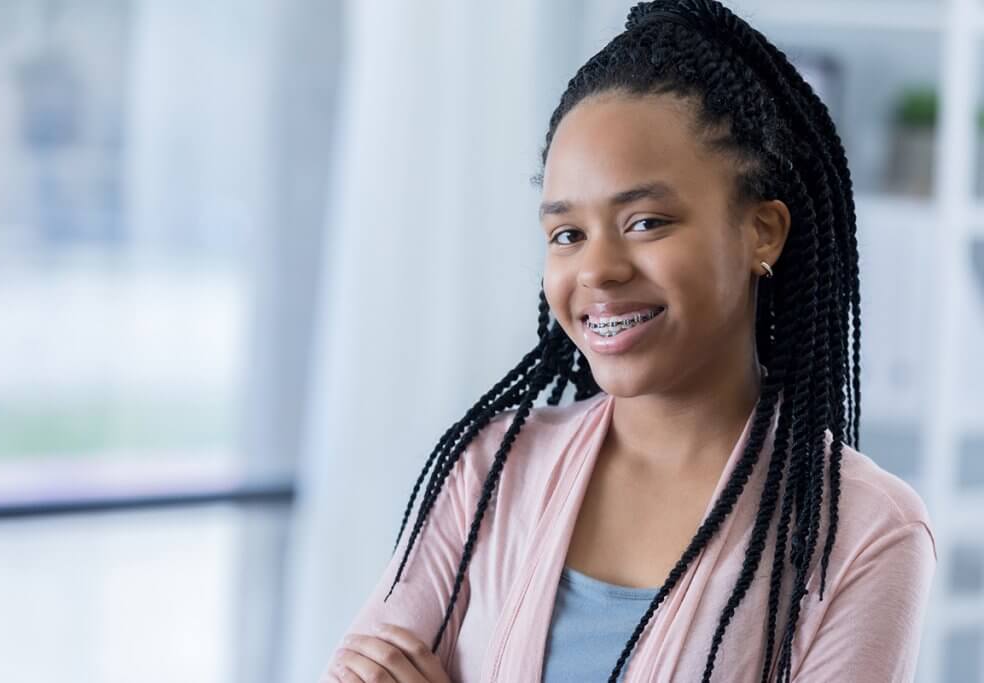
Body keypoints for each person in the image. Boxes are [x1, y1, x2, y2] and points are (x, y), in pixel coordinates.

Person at [322, 1, 937, 681]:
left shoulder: (865, 533)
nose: (598, 268)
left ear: (762, 231)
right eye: (567, 234)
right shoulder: (489, 471)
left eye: (645, 221)